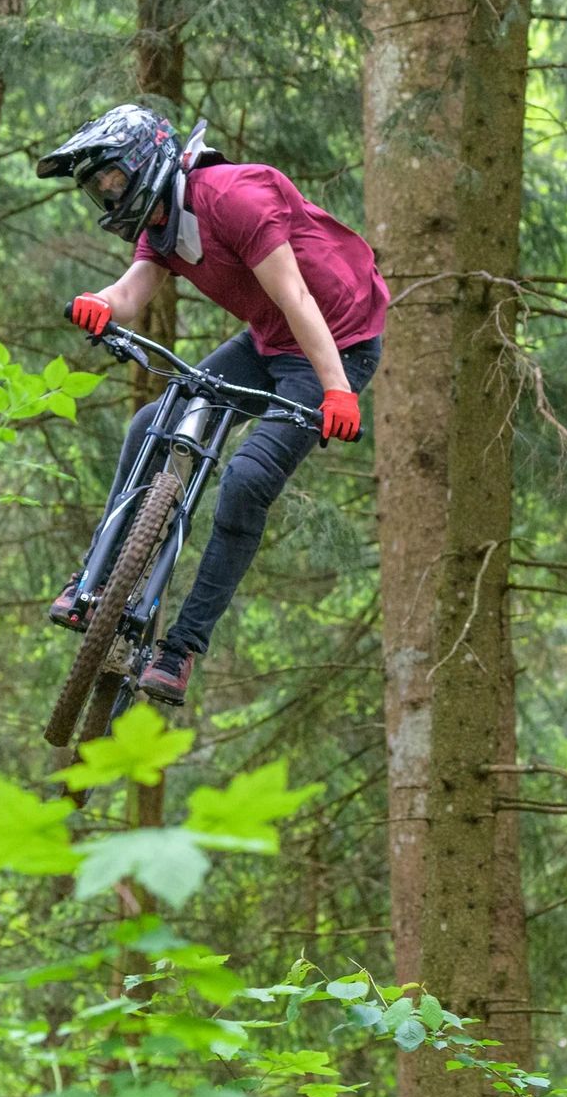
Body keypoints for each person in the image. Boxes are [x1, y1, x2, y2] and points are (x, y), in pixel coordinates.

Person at [34, 103, 389, 706]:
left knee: (246, 481)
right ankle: (95, 576)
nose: (107, 193)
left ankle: (181, 649)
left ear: (144, 161)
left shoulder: (233, 196)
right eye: (98, 188)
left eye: (112, 178)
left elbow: (298, 295)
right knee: (154, 422)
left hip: (336, 344)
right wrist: (97, 302)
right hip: (270, 338)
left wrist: (336, 389)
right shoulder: (162, 222)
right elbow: (129, 293)